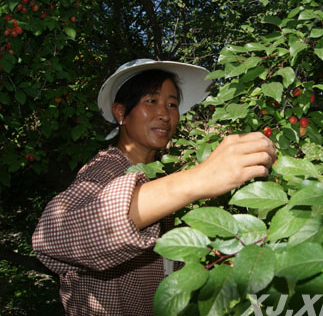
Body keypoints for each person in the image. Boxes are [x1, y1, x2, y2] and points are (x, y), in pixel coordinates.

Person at [32, 59, 277, 315]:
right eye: (151, 101)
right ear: (120, 113)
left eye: (172, 104)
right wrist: (198, 179)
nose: (165, 114)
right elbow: (52, 238)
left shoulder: (157, 177)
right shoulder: (103, 168)